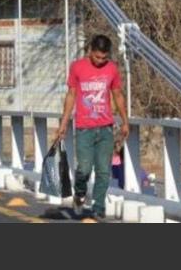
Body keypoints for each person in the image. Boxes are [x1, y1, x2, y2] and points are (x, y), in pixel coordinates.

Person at [54, 34, 129, 220]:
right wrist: (63, 124)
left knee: (103, 171)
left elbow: (118, 95)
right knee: (84, 169)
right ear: (90, 51)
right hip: (84, 129)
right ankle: (79, 193)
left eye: (104, 58)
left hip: (105, 128)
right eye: (97, 57)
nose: (100, 61)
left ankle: (98, 207)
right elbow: (71, 95)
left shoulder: (112, 69)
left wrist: (125, 121)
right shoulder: (77, 67)